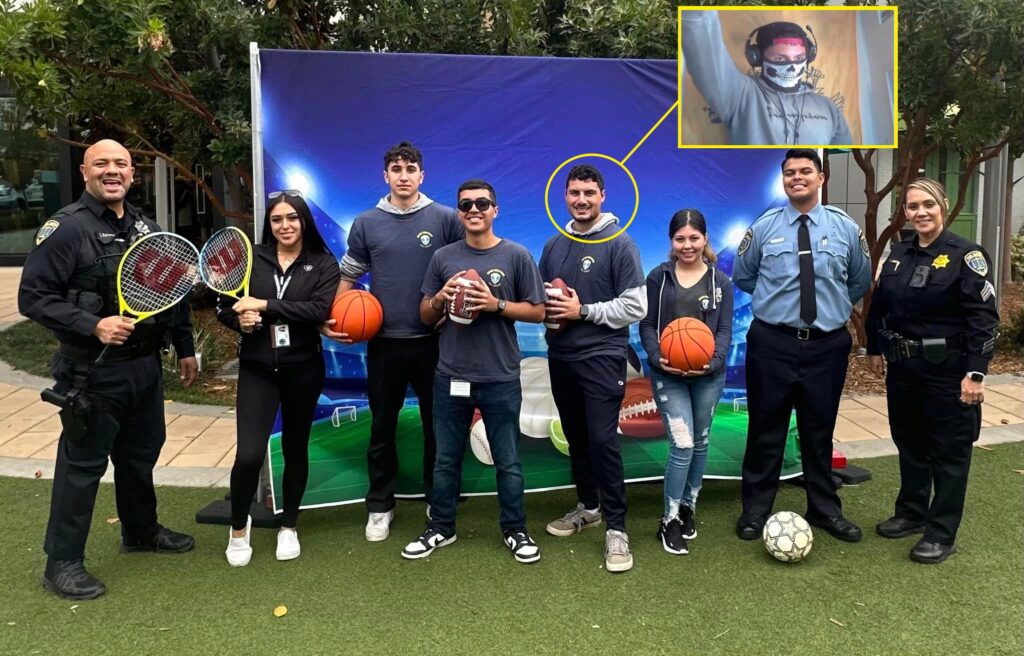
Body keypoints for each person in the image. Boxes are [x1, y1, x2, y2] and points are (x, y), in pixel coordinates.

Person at [18, 139, 197, 600]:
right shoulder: (65, 229)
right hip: (92, 373)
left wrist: (185, 348)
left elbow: (171, 291)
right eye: (102, 163)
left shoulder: (146, 227)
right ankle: (62, 562)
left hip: (144, 368)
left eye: (121, 163)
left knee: (140, 454)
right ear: (85, 172)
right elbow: (33, 298)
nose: (112, 170)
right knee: (82, 466)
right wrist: (93, 324)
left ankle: (140, 531)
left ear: (133, 174)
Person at [323, 141, 463, 542]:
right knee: (382, 428)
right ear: (385, 176)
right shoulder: (367, 222)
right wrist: (331, 319)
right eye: (396, 169)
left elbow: (464, 266)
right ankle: (380, 505)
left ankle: (438, 500)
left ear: (422, 175)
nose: (404, 176)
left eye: (410, 169)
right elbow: (349, 274)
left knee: (438, 428)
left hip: (435, 342)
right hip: (384, 343)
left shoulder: (445, 218)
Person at [401, 179, 546, 564]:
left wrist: (496, 304)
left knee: (508, 461)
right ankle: (441, 526)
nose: (474, 210)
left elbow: (538, 311)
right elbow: (425, 315)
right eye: (466, 205)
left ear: (495, 210)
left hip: (499, 376)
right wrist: (440, 298)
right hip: (451, 375)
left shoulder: (516, 255)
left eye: (482, 203)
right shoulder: (443, 258)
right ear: (459, 213)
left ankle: (515, 529)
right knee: (445, 460)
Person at [732, 148, 871, 544]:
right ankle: (755, 509)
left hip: (826, 345)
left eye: (805, 171)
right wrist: (778, 304)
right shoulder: (764, 228)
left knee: (818, 429)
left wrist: (830, 307)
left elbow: (859, 280)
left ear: (821, 177)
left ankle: (824, 509)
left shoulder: (845, 227)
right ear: (783, 180)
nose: (797, 177)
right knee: (765, 429)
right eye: (790, 172)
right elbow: (744, 276)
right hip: (772, 343)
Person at [865, 178, 998, 564]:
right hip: (904, 368)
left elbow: (984, 320)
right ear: (905, 212)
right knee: (910, 442)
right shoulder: (899, 253)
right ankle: (912, 512)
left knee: (949, 452)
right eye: (912, 206)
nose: (920, 212)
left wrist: (976, 373)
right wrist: (873, 347)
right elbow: (879, 304)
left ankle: (941, 532)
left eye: (928, 205)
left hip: (948, 371)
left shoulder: (966, 256)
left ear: (943, 206)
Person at [217, 190, 340, 566]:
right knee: (249, 454)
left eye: (292, 218)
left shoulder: (323, 263)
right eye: (276, 219)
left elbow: (317, 310)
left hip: (303, 368)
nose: (285, 225)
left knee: (295, 448)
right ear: (268, 224)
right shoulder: (250, 258)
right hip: (257, 369)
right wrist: (239, 320)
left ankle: (289, 525)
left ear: (303, 221)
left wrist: (264, 305)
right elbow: (224, 306)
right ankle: (239, 529)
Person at [539, 164, 647, 573]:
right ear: (565, 197)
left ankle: (617, 528)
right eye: (574, 193)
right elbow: (542, 298)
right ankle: (589, 507)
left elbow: (636, 305)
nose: (581, 200)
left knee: (602, 440)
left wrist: (582, 310)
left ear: (602, 196)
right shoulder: (555, 244)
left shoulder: (620, 243)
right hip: (561, 356)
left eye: (589, 193)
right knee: (577, 437)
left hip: (602, 355)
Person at [639, 209, 733, 555]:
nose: (687, 245)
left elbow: (724, 330)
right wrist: (655, 356)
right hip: (669, 376)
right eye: (680, 239)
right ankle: (669, 519)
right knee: (682, 444)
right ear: (672, 241)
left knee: (701, 443)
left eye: (694, 238)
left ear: (705, 239)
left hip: (709, 377)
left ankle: (689, 506)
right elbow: (646, 324)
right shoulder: (658, 277)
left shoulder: (720, 282)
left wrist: (712, 362)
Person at [680, 10, 852, 146]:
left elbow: (841, 155)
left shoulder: (829, 108)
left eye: (799, 58)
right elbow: (701, 40)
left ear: (810, 57)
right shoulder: (741, 95)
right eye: (780, 59)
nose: (792, 66)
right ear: (756, 57)